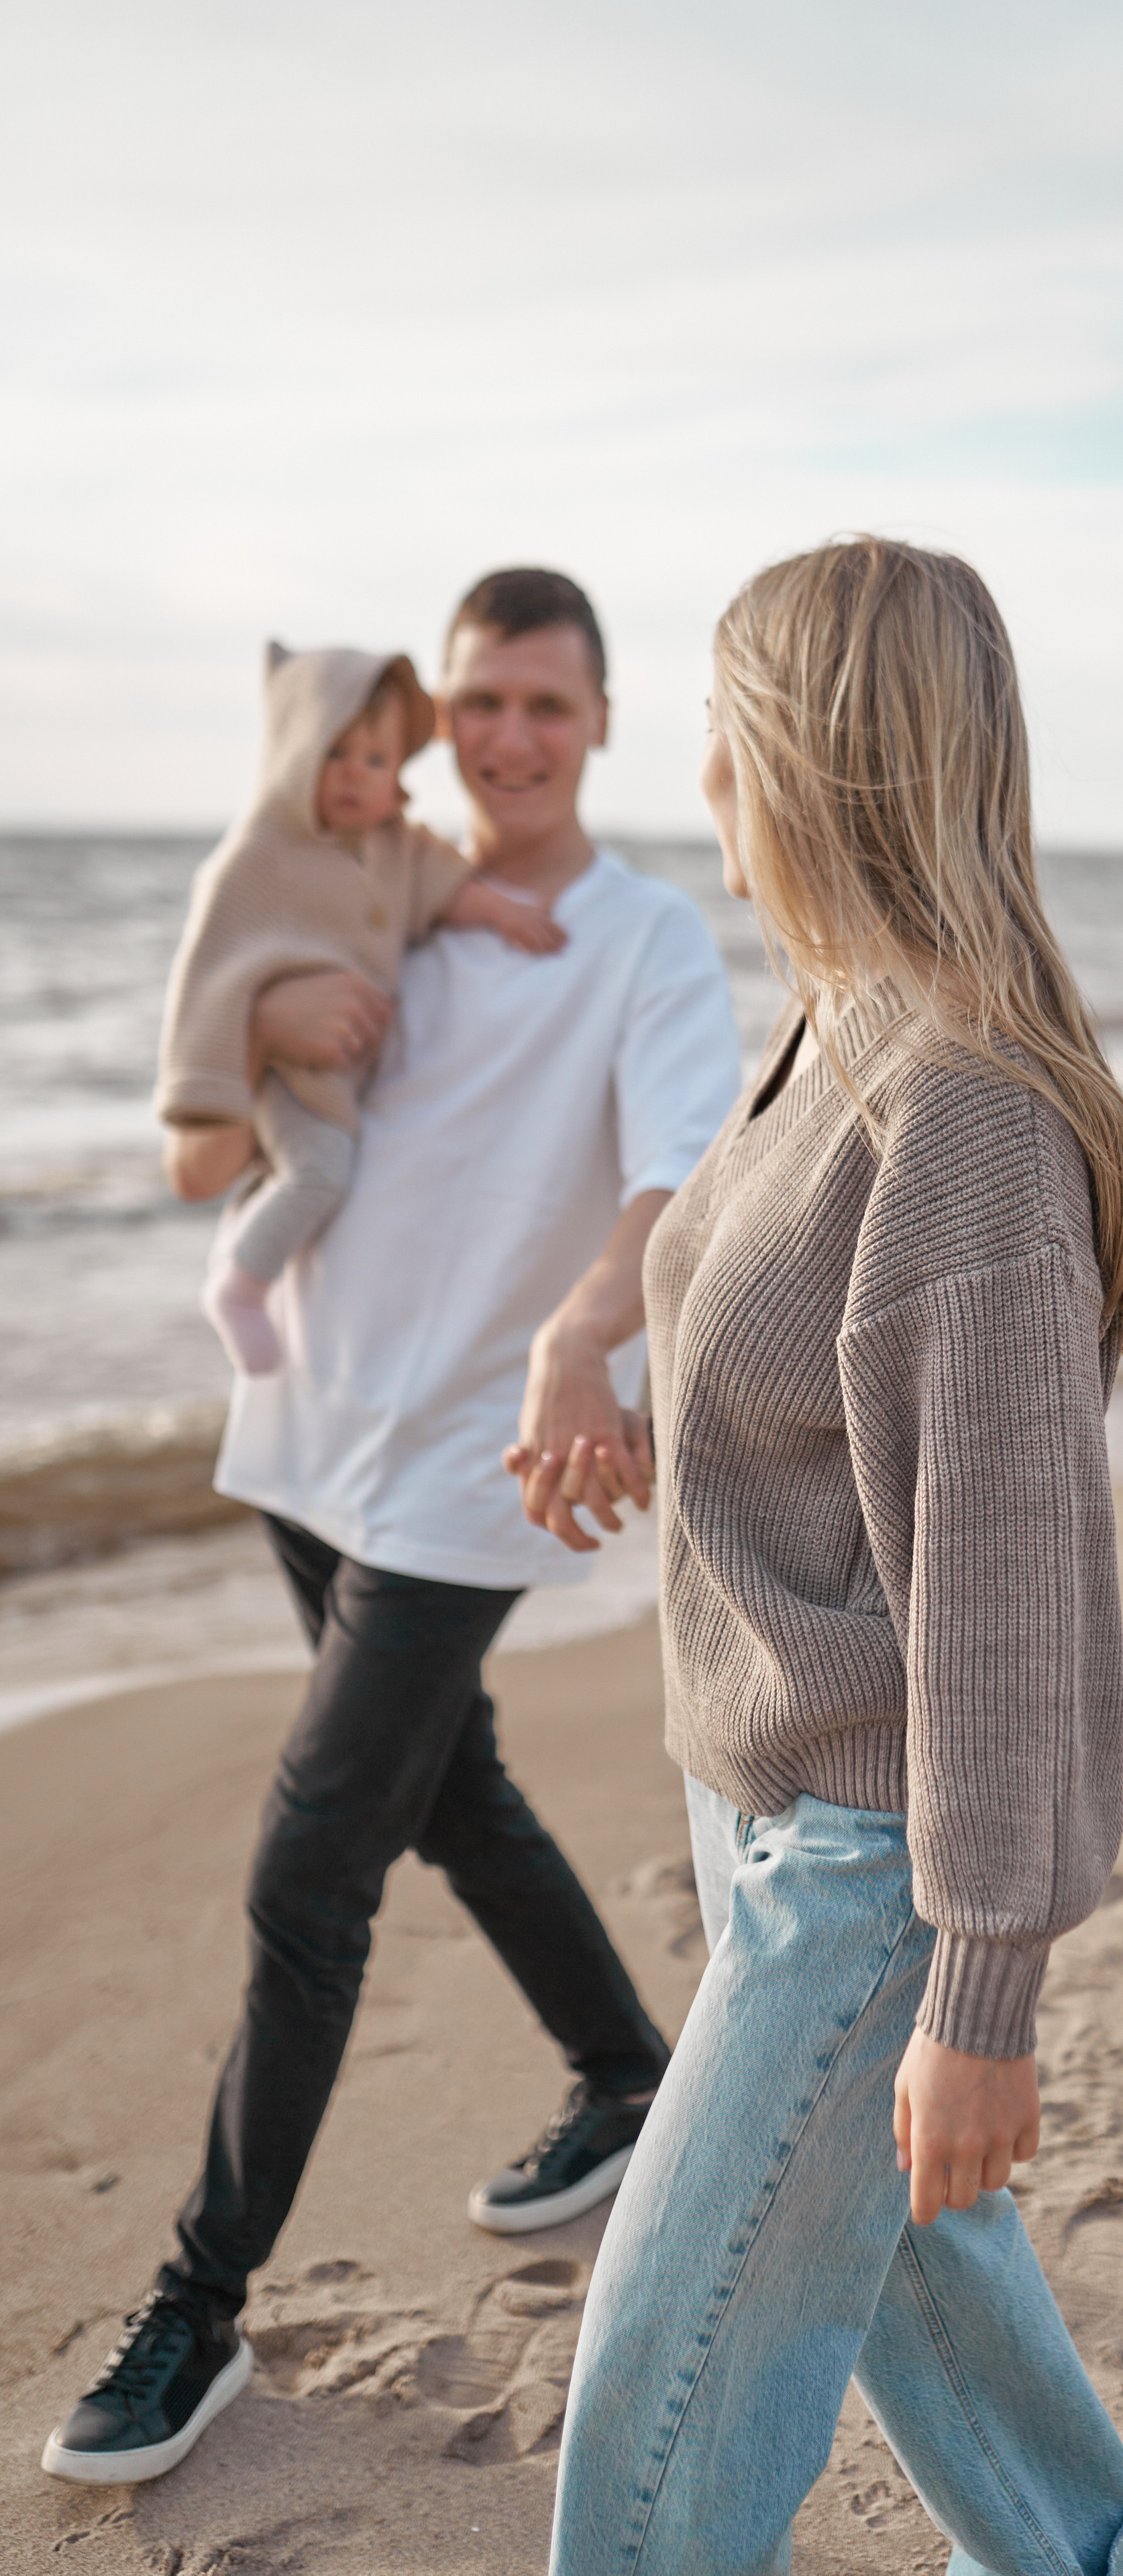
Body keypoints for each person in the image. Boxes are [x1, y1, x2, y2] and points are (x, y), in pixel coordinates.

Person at [41, 567, 742, 2490]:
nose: (510, 738)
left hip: (467, 1464)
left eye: (546, 704)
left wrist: (585, 1340)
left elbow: (684, 1175)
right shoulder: (370, 896)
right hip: (307, 1432)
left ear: (599, 722)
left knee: (309, 1867)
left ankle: (201, 2301)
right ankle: (628, 2075)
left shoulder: (642, 937)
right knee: (455, 1792)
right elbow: (198, 1152)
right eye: (480, 703)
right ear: (441, 717)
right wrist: (261, 1008)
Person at [516, 537, 1123, 2576]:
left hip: (871, 1868)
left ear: (814, 755)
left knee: (659, 2392)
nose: (699, 772)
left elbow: (1004, 1608)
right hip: (763, 1816)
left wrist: (980, 1991)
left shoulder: (960, 1115)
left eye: (725, 727)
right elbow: (794, 1359)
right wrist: (612, 1373)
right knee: (914, 2289)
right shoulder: (829, 1029)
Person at [158, 641, 568, 1375]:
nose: (355, 774)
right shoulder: (259, 857)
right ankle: (240, 1285)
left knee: (309, 1170)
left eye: (376, 761)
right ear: (292, 754)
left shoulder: (396, 847)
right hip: (293, 1074)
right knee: (319, 1170)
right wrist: (248, 1030)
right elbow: (209, 977)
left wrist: (506, 913)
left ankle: (248, 1264)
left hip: (344, 1081)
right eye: (335, 753)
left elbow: (450, 886)